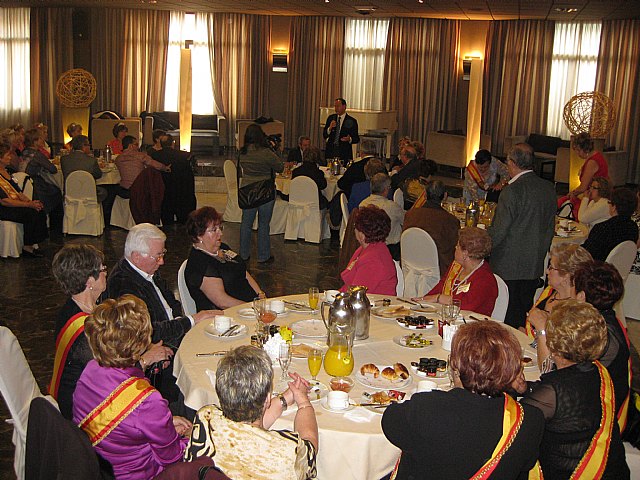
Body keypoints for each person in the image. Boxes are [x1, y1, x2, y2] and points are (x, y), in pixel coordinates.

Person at [382, 321, 544, 480]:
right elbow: (525, 467)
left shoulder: (428, 408)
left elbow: (389, 422)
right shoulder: (529, 420)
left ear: (455, 365)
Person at [73, 295, 191, 479]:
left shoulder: (90, 370)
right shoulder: (146, 400)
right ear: (140, 344)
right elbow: (172, 458)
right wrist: (191, 437)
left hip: (99, 467)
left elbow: (124, 423)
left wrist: (164, 424)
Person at [50, 244, 171, 420]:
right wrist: (147, 358)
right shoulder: (85, 331)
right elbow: (111, 378)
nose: (106, 272)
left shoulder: (72, 309)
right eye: (102, 269)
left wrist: (147, 347)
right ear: (89, 282)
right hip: (83, 411)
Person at [521, 300, 629, 479]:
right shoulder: (599, 372)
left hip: (567, 473)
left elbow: (517, 427)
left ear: (553, 345)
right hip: (611, 470)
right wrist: (526, 387)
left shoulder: (554, 390)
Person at [185, 346, 318, 480]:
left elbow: (248, 429)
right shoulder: (289, 450)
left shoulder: (206, 417)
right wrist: (303, 402)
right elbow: (310, 443)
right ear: (267, 398)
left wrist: (285, 398)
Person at [107, 223, 218, 348]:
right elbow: (148, 331)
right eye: (158, 256)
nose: (162, 261)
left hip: (175, 332)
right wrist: (190, 321)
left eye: (162, 254)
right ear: (136, 257)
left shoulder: (147, 269)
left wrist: (180, 321)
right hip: (162, 346)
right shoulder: (123, 285)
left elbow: (172, 302)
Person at [488, 143, 556, 329]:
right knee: (522, 317)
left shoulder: (512, 191)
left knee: (505, 318)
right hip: (533, 263)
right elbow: (550, 227)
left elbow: (500, 231)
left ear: (512, 163)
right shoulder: (548, 188)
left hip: (507, 265)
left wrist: (484, 246)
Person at [574, 261, 631, 428]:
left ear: (581, 296)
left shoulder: (600, 335)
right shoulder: (607, 321)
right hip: (603, 399)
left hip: (599, 416)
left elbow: (573, 377)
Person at [185, 207, 264, 311]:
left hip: (250, 307)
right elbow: (222, 302)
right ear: (199, 235)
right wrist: (252, 308)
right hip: (225, 317)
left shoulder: (223, 247)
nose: (220, 233)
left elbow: (244, 273)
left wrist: (260, 295)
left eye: (220, 228)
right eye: (214, 230)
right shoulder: (200, 263)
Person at [524, 244, 593, 354]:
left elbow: (565, 351)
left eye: (551, 267)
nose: (547, 271)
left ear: (566, 275)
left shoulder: (577, 308)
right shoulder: (551, 292)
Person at [417, 227, 498, 316]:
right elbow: (440, 288)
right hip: (447, 318)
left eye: (458, 246)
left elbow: (465, 306)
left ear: (465, 253)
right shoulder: (457, 267)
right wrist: (421, 302)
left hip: (472, 325)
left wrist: (439, 298)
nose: (455, 247)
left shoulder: (485, 279)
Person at [238, 124, 284, 263]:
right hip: (265, 190)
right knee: (264, 224)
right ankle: (263, 256)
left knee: (246, 224)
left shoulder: (242, 152)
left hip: (247, 190)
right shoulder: (266, 152)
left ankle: (244, 255)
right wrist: (274, 149)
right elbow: (280, 167)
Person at [403, 179, 460, 277]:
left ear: (424, 195)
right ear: (445, 196)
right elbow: (454, 250)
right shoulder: (450, 221)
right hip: (438, 270)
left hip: (410, 267)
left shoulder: (410, 215)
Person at [0, 142, 48, 257]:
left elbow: (18, 192)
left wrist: (30, 202)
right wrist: (27, 205)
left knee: (39, 209)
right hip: (4, 208)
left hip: (14, 204)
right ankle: (27, 246)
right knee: (30, 214)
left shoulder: (6, 172)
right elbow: (4, 201)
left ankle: (36, 242)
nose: (10, 157)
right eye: (7, 155)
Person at [340, 205, 397, 295]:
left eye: (355, 227)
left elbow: (355, 294)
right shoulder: (371, 248)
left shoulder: (372, 260)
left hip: (373, 305)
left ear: (362, 235)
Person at [149, 134, 196, 225]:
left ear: (161, 144)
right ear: (173, 144)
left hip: (164, 194)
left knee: (167, 222)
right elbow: (189, 178)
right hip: (182, 194)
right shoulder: (184, 156)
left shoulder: (155, 156)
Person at [582, 186, 638, 261]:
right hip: (622, 267)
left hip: (598, 269)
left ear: (614, 207)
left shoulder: (602, 228)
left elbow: (587, 254)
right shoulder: (633, 227)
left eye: (610, 203)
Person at [359, 173, 405, 259]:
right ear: (386, 189)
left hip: (368, 247)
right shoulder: (392, 206)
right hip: (391, 250)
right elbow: (406, 221)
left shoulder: (362, 204)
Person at [565, 132, 609, 205]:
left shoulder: (592, 161)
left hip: (596, 198)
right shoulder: (595, 156)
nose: (577, 153)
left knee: (564, 202)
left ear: (585, 148)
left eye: (578, 150)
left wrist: (572, 193)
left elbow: (583, 187)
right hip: (594, 195)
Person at [61, 135, 108, 202]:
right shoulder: (91, 160)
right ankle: (96, 210)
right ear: (84, 146)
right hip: (88, 194)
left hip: (69, 194)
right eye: (89, 145)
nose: (90, 147)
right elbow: (98, 175)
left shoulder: (64, 159)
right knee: (105, 191)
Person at [323, 97, 359, 162]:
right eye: (335, 106)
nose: (336, 108)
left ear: (344, 106)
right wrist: (330, 128)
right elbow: (324, 135)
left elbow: (356, 138)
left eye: (338, 106)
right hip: (331, 150)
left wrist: (349, 139)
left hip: (344, 151)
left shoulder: (351, 121)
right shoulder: (331, 118)